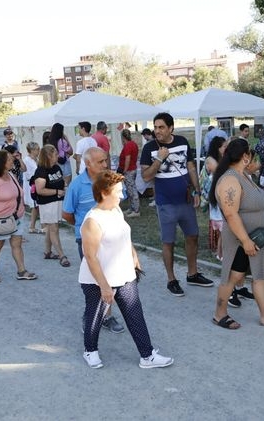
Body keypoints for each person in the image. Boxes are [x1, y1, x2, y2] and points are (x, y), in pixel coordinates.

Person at [79, 170, 174, 369]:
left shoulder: (116, 211)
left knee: (135, 314)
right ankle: (90, 350)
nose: (122, 195)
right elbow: (90, 256)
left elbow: (124, 234)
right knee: (95, 315)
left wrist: (133, 255)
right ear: (104, 193)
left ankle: (147, 356)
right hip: (98, 279)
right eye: (118, 191)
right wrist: (104, 286)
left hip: (123, 275)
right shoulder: (92, 221)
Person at [210, 138, 264, 329]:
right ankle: (219, 314)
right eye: (251, 154)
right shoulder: (230, 179)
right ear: (245, 156)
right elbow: (230, 213)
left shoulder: (244, 175)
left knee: (259, 275)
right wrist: (245, 240)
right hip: (242, 239)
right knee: (234, 277)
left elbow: (250, 205)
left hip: (256, 238)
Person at [140, 112, 213, 296]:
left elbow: (190, 167)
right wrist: (159, 159)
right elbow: (146, 176)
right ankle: (171, 279)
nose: (157, 131)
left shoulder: (181, 141)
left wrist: (196, 190)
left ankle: (192, 273)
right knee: (168, 242)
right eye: (155, 127)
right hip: (165, 203)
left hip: (186, 200)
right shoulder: (149, 148)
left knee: (193, 236)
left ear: (171, 128)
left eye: (161, 127)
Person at [63, 147, 125, 333]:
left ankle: (106, 315)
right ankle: (90, 314)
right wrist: (84, 228)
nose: (105, 165)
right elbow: (67, 214)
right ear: (87, 163)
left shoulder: (109, 181)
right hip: (89, 241)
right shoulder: (77, 185)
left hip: (111, 239)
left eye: (105, 160)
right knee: (92, 281)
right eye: (100, 162)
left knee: (110, 277)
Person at [0, 150, 36, 282]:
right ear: (1, 163)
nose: (13, 161)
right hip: (1, 220)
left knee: (17, 244)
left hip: (17, 217)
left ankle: (21, 270)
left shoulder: (11, 175)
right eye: (10, 160)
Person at [32, 144, 70, 267]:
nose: (57, 156)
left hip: (57, 202)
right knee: (54, 228)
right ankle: (62, 255)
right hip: (47, 204)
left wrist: (63, 184)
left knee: (51, 228)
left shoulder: (56, 167)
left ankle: (47, 252)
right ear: (48, 156)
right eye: (55, 154)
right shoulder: (41, 171)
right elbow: (40, 190)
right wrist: (57, 191)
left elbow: (60, 180)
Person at [22, 141, 44, 235]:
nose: (38, 151)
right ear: (31, 150)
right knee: (35, 206)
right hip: (32, 186)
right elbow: (29, 175)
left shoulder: (37, 159)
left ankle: (33, 226)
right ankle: (35, 226)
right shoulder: (27, 160)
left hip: (37, 183)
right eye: (37, 149)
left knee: (37, 207)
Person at [118, 128, 140, 217]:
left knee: (132, 190)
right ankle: (132, 208)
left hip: (129, 170)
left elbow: (127, 159)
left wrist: (124, 170)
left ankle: (136, 210)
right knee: (130, 190)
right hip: (132, 169)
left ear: (123, 137)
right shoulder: (133, 144)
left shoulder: (128, 146)